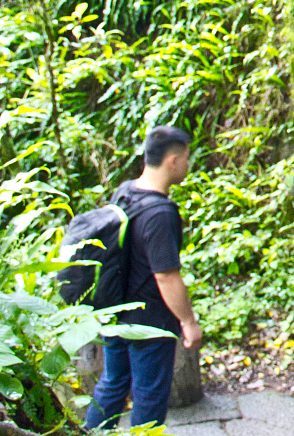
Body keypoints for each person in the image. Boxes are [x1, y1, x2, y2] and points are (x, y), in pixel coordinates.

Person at [84, 126, 202, 430]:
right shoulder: (161, 213)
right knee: (149, 398)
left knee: (112, 386)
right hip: (149, 325)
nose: (188, 165)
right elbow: (166, 276)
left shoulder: (124, 192)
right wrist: (188, 321)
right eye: (187, 158)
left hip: (116, 311)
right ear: (173, 161)